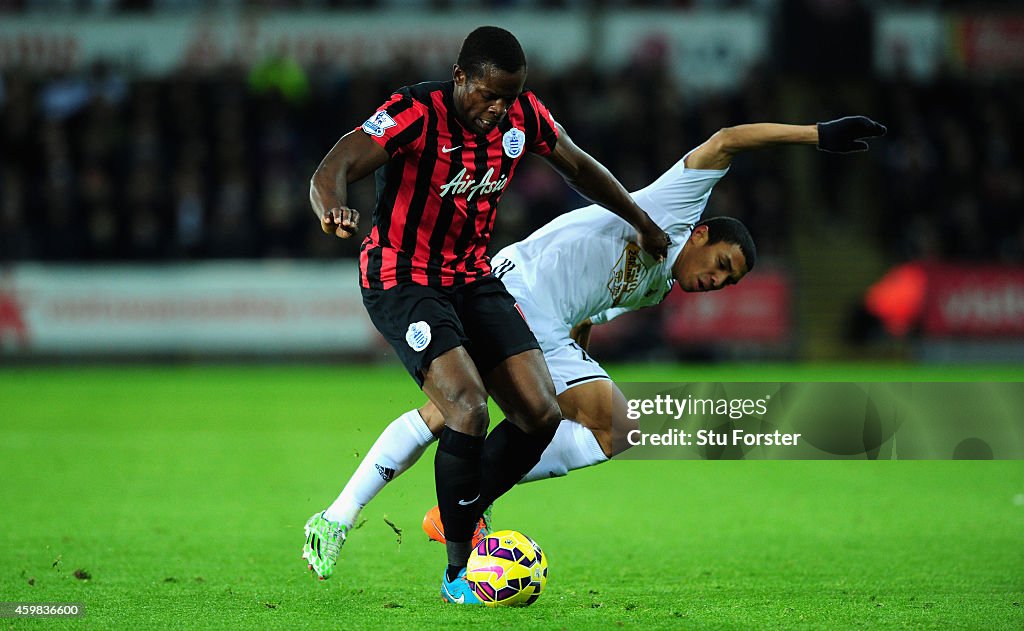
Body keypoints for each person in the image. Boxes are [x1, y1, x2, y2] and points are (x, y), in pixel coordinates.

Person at [307, 114, 887, 561]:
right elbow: (729, 138)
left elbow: (593, 302)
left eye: (728, 282)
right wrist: (818, 134)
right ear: (703, 233)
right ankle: (457, 507)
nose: (715, 282)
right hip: (516, 295)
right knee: (577, 421)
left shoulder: (658, 290)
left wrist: (579, 343)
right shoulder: (674, 210)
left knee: (463, 415)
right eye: (721, 264)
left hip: (547, 318)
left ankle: (353, 514)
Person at [303, 26, 670, 605]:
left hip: (473, 278)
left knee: (540, 411)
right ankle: (458, 571)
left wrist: (641, 220)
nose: (497, 109)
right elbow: (338, 161)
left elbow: (579, 166)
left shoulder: (524, 118)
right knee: (467, 408)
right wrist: (332, 208)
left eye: (509, 97)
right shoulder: (416, 111)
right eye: (488, 95)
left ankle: (463, 507)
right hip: (404, 278)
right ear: (461, 78)